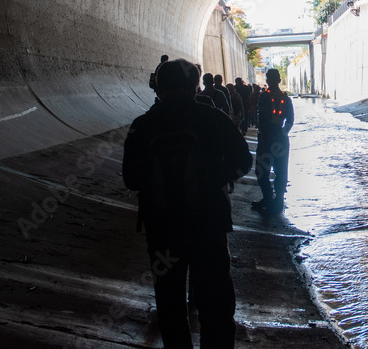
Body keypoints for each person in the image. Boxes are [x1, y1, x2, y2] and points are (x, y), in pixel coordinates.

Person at [123, 58, 252, 348]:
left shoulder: (143, 126)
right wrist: (213, 180)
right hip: (208, 225)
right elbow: (243, 160)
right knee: (215, 304)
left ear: (158, 87)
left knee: (170, 306)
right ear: (195, 87)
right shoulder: (212, 118)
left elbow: (131, 178)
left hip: (163, 231)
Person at [251, 69, 294, 214]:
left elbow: (261, 120)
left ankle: (268, 198)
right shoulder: (286, 98)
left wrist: (265, 135)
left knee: (262, 170)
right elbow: (290, 120)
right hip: (281, 139)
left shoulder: (264, 97)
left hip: (266, 138)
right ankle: (279, 201)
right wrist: (282, 133)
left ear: (268, 80)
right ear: (280, 80)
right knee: (281, 170)